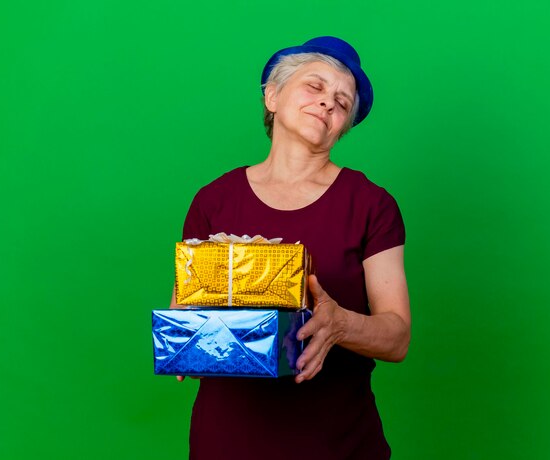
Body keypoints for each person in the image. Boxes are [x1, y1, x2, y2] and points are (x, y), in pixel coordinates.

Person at [170, 36, 411, 460]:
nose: (328, 104)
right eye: (314, 87)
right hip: (225, 444)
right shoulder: (214, 201)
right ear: (272, 95)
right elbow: (183, 310)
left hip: (338, 445)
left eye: (342, 101)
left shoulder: (372, 204)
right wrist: (186, 337)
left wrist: (339, 324)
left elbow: (397, 337)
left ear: (345, 126)